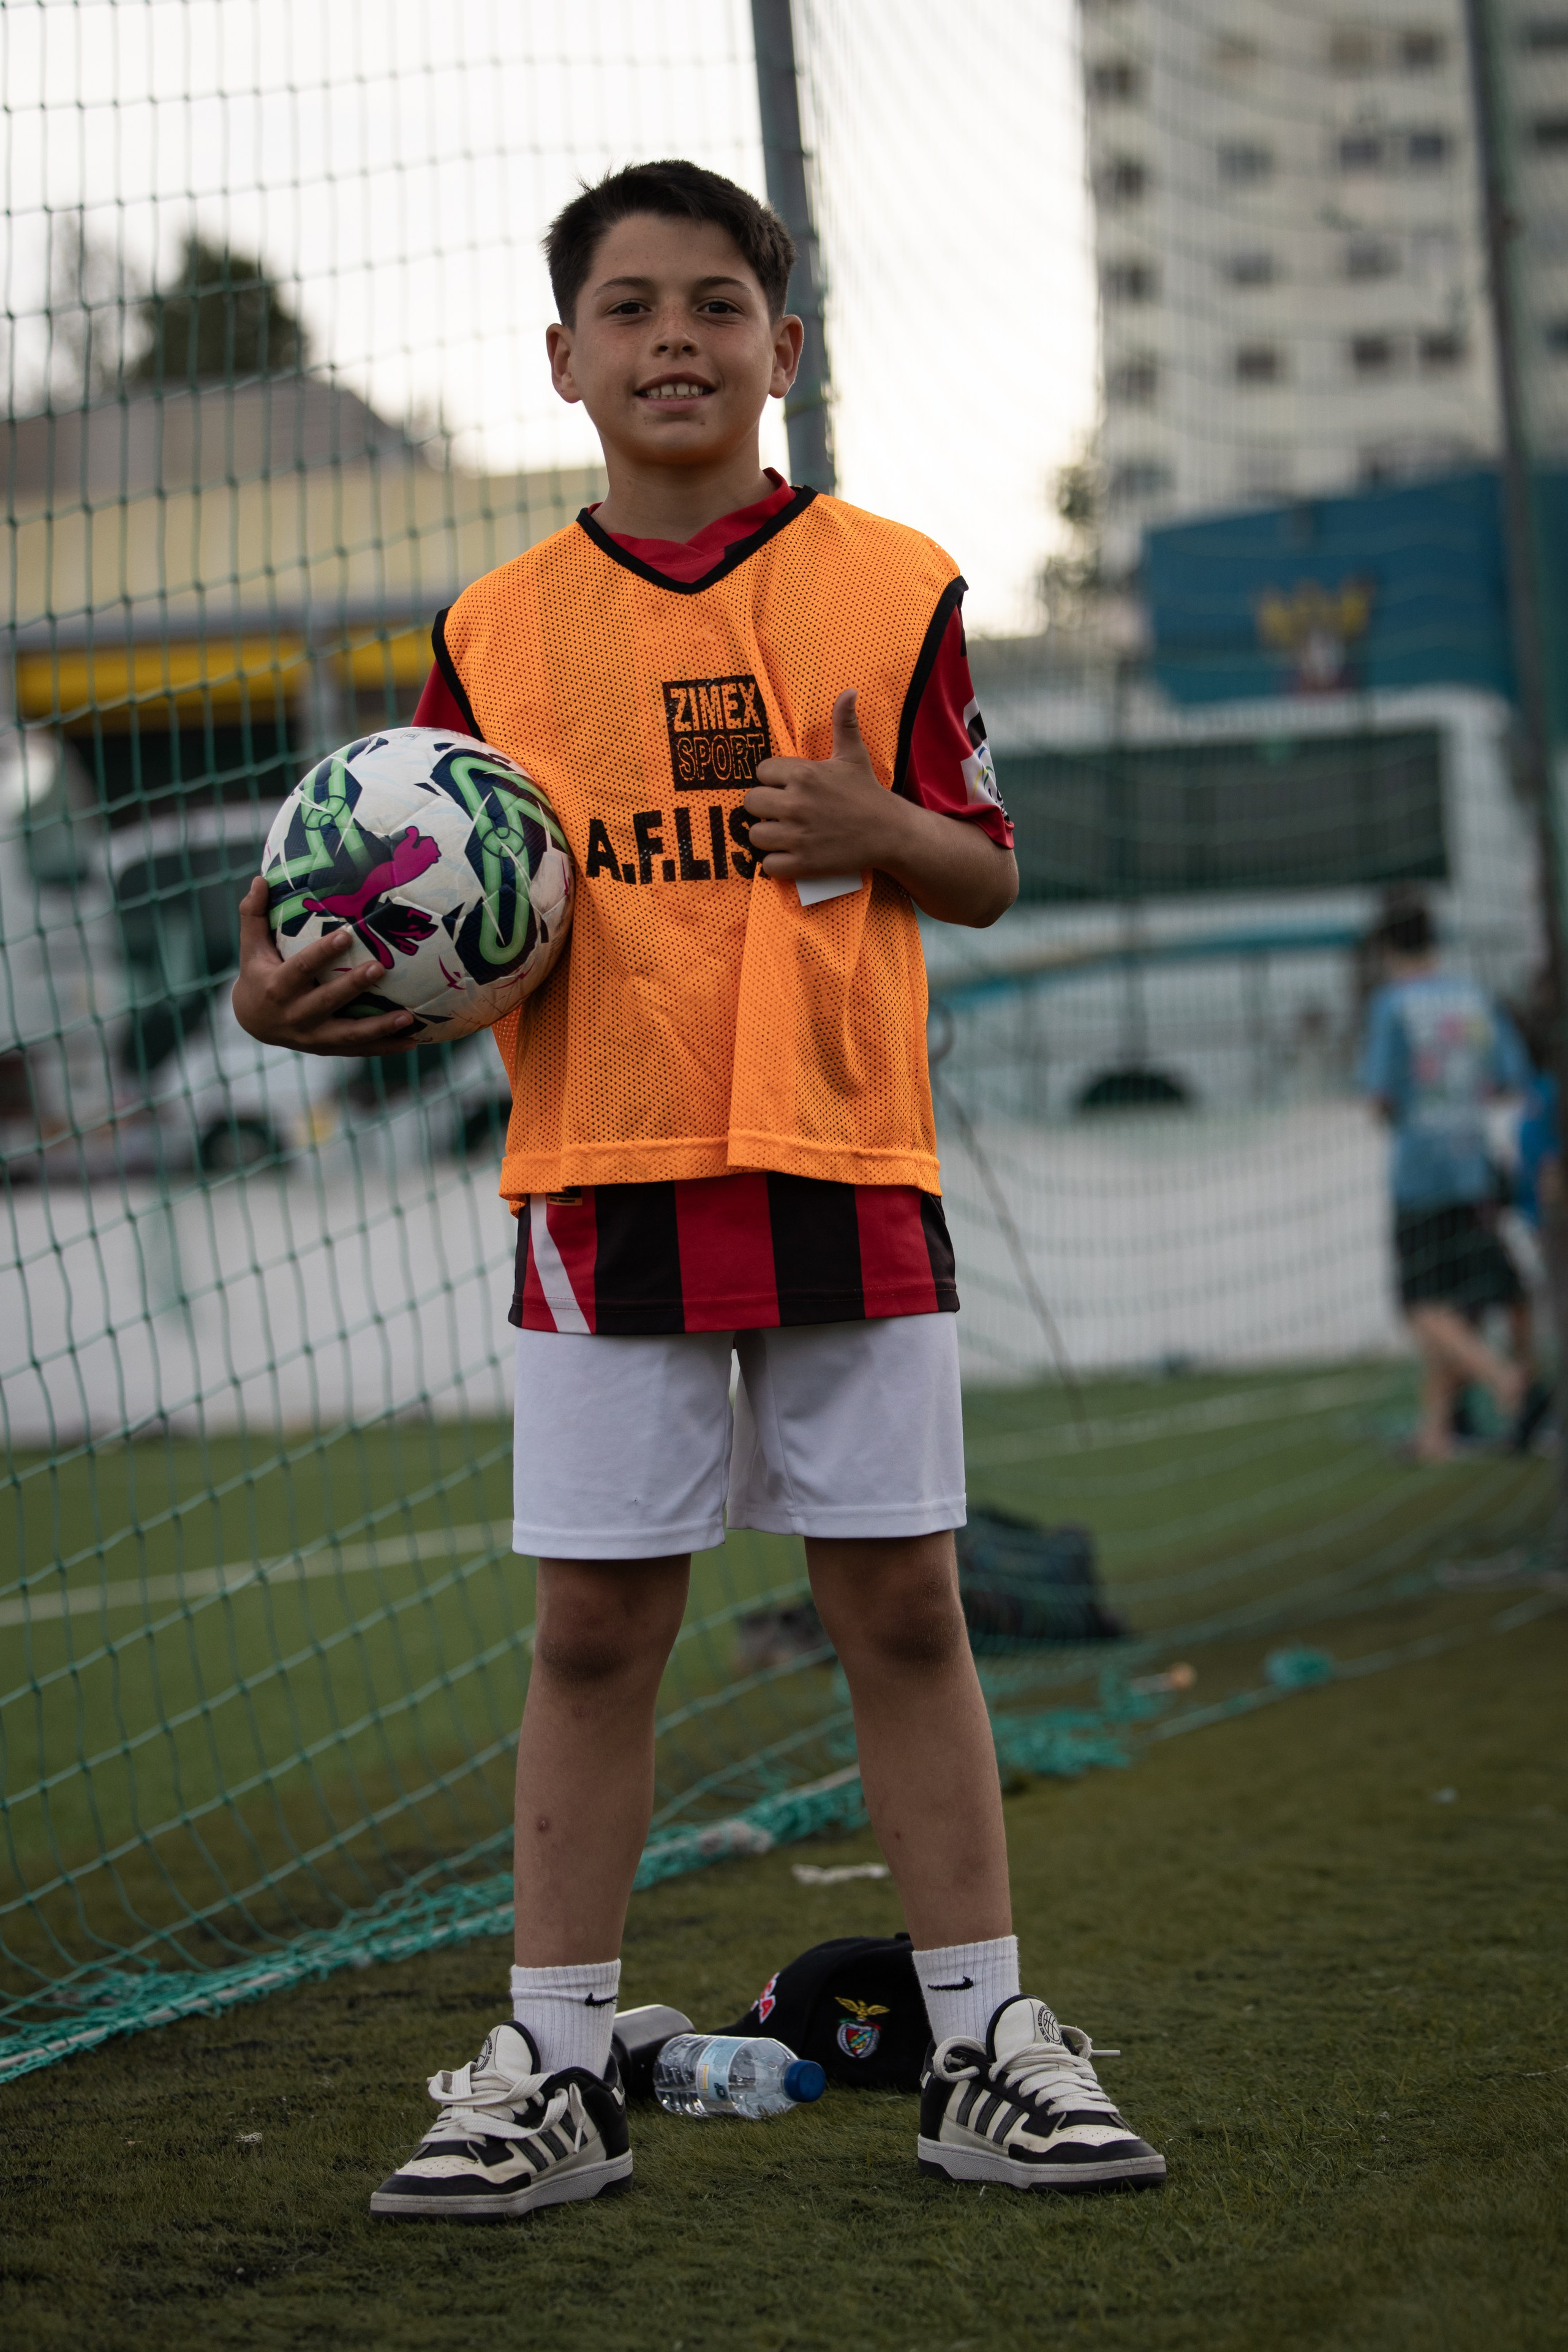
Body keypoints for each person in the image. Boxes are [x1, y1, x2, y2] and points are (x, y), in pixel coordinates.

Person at [232, 159, 1166, 2216]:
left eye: (718, 304)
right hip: (603, 1178)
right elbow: (428, 909)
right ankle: (557, 2066)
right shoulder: (495, 630)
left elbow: (986, 867)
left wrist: (875, 828)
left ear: (783, 349)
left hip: (844, 1157)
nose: (676, 338)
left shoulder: (893, 584)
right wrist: (289, 995)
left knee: (902, 1605)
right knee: (594, 1630)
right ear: (562, 360)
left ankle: (984, 2041)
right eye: (632, 308)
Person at [1360, 896, 1532, 1461]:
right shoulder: (1473, 996)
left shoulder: (1393, 1005)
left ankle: (1501, 1376)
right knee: (1460, 1302)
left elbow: (1380, 1097)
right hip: (1472, 1166)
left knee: (1420, 1304)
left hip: (1420, 1173)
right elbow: (1508, 1078)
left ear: (1388, 949)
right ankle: (1436, 1432)